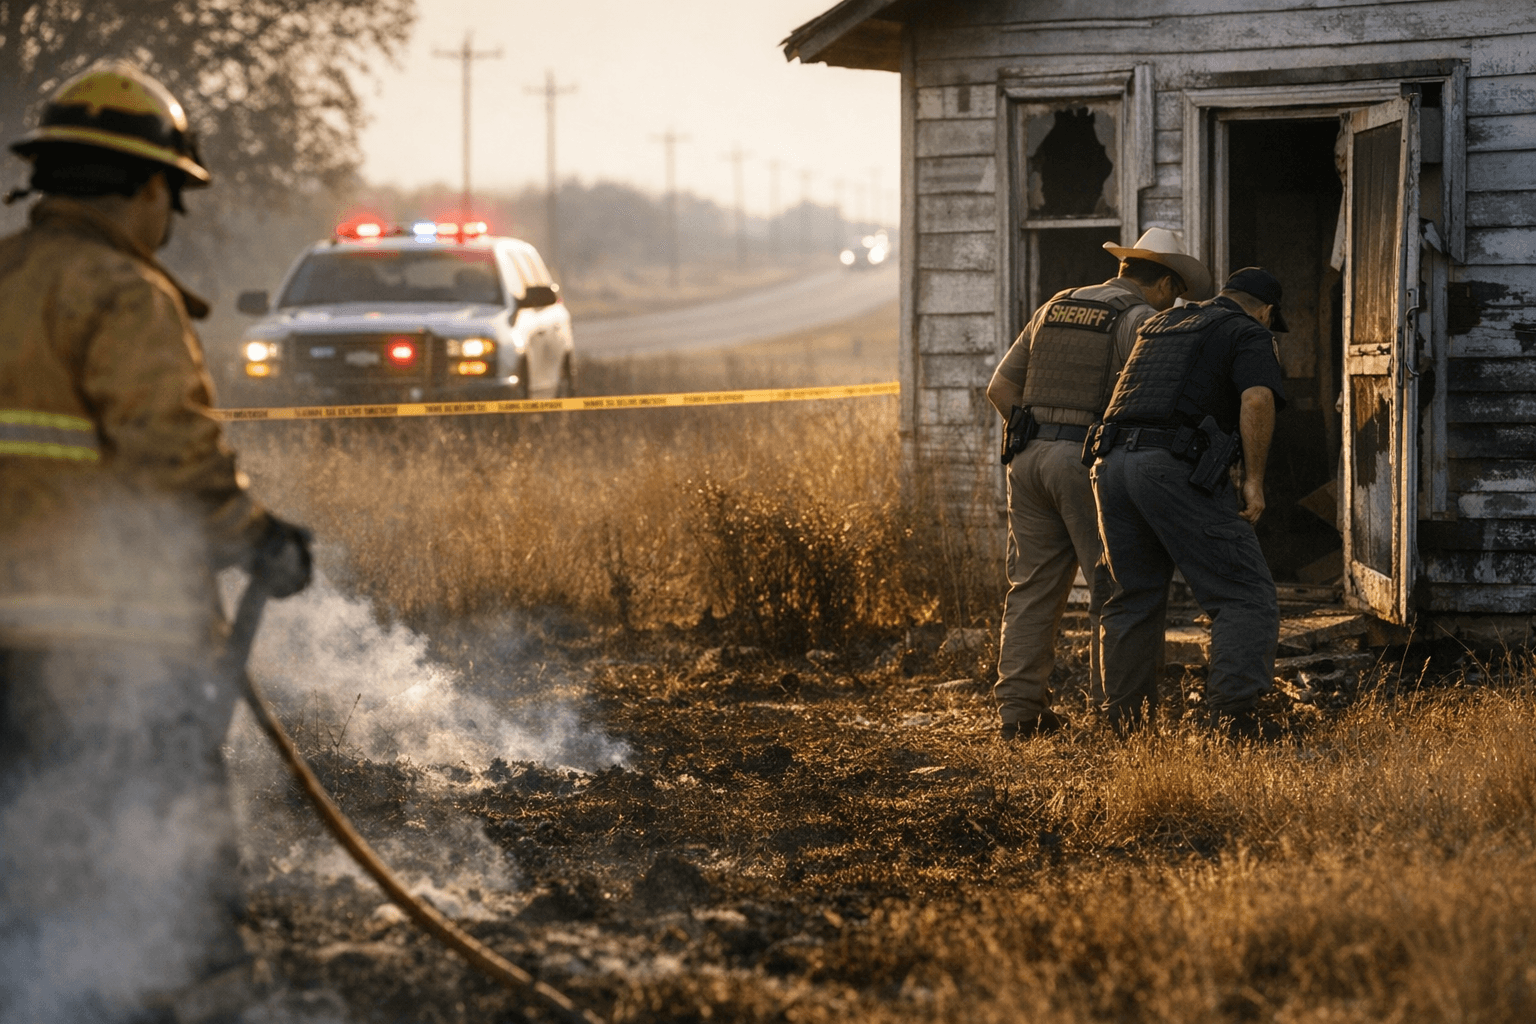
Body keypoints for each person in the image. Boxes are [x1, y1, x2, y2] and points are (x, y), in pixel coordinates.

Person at [0, 62, 311, 1022]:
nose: (168, 220)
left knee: (30, 863)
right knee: (176, 875)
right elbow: (172, 454)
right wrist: (258, 538)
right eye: (170, 197)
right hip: (115, 646)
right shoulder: (123, 294)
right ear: (143, 188)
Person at [985, 228, 1212, 740]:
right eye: (1174, 294)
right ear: (1164, 283)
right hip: (1083, 463)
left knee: (1032, 587)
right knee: (1115, 589)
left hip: (1026, 461)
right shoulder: (1139, 320)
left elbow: (1000, 387)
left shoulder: (1055, 307)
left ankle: (1019, 712)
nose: (1172, 304)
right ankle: (1115, 714)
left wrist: (1034, 431)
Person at [1088, 267, 1290, 737]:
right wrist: (1254, 482)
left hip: (1111, 463)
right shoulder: (1248, 330)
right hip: (1169, 467)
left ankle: (1124, 730)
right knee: (1244, 594)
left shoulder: (1160, 325)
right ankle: (1233, 724)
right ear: (1266, 311)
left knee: (1131, 597)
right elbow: (1258, 399)